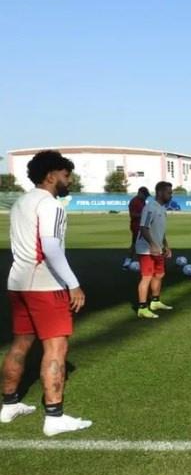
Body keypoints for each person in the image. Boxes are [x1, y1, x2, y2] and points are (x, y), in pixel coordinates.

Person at [0, 150, 92, 436]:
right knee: (56, 347)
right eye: (66, 175)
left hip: (19, 282)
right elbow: (50, 248)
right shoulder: (51, 205)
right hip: (45, 284)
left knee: (21, 343)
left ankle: (9, 404)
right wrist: (73, 284)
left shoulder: (20, 203)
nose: (69, 180)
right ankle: (54, 416)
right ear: (51, 175)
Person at [135, 181, 174, 319]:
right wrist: (152, 244)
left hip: (158, 248)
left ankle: (155, 301)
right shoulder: (150, 207)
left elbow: (161, 231)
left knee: (159, 274)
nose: (171, 195)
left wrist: (166, 245)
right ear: (160, 192)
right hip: (146, 249)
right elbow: (143, 228)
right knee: (147, 277)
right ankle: (142, 308)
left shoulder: (162, 208)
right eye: (169, 192)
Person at [122, 186, 150, 269]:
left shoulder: (142, 201)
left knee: (139, 245)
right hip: (136, 227)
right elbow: (133, 215)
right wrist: (144, 215)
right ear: (140, 193)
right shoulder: (134, 201)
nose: (146, 197)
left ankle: (129, 262)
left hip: (142, 226)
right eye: (145, 195)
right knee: (136, 245)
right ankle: (129, 262)